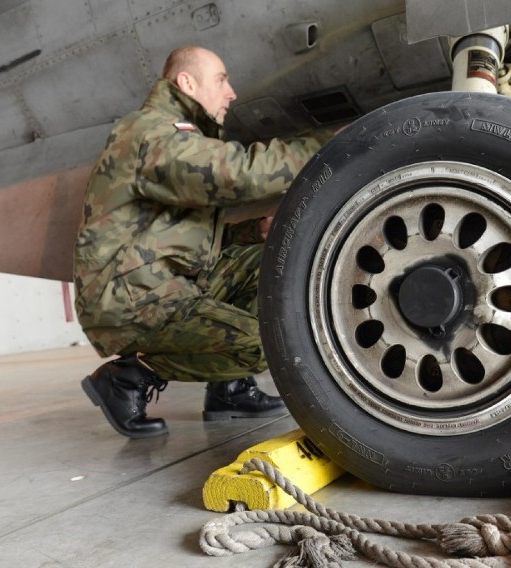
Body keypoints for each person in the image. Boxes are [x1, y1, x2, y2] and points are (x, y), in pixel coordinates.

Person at [73, 46, 332, 439]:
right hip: (130, 299)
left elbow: (187, 241)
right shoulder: (150, 133)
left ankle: (228, 391)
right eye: (221, 80)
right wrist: (331, 145)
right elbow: (236, 174)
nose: (231, 93)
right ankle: (129, 376)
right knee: (264, 344)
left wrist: (254, 231)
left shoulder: (176, 137)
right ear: (186, 83)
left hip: (167, 283)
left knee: (274, 256)